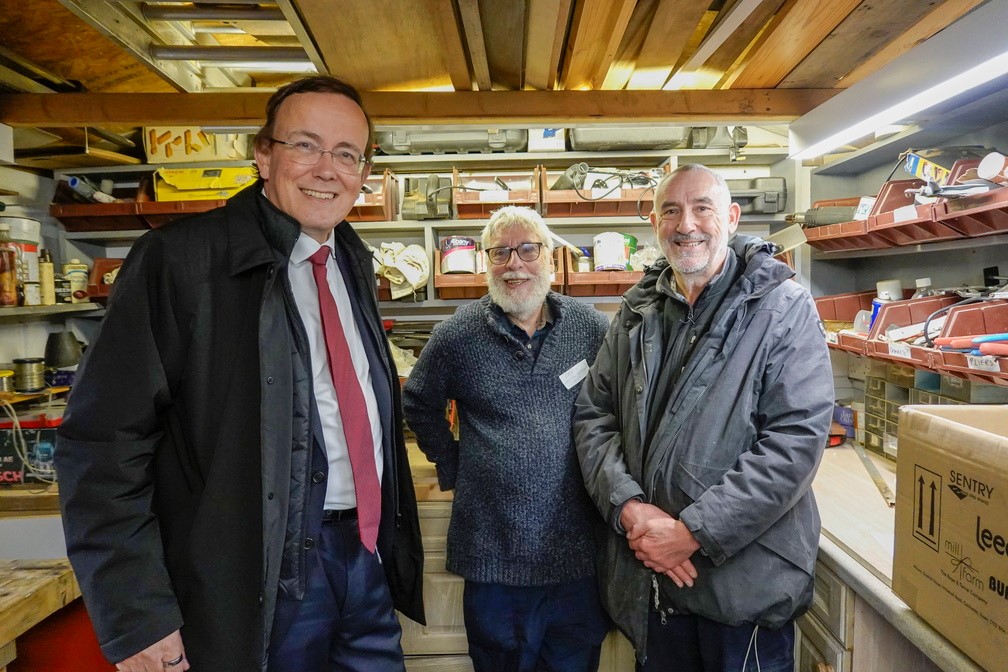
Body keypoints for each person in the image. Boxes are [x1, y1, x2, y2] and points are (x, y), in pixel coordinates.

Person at [55, 75, 424, 672]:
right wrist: (137, 612)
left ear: (364, 171)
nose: (327, 169)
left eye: (347, 153)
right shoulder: (181, 262)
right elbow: (101, 445)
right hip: (256, 576)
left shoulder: (349, 260)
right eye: (306, 145)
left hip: (361, 561)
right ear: (263, 154)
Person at [573, 164, 834, 671]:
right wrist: (628, 508)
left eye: (702, 208)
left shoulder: (782, 308)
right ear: (655, 223)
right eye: (671, 210)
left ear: (732, 218)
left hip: (742, 588)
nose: (685, 224)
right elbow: (594, 415)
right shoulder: (636, 312)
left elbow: (795, 441)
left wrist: (692, 532)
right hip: (653, 579)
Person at [402, 206, 612, 672]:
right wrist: (452, 463)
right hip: (493, 555)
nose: (514, 263)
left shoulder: (592, 328)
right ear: (486, 261)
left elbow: (621, 410)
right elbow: (417, 401)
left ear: (550, 260)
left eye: (527, 249)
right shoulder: (457, 334)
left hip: (576, 556)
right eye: (500, 252)